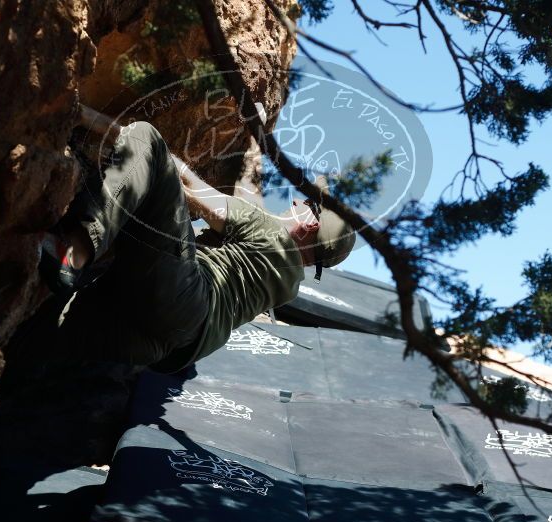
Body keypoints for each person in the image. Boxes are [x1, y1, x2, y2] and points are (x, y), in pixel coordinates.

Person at [39, 111, 355, 375]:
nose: (298, 200)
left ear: (310, 223)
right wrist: (258, 132)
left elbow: (189, 184)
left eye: (309, 203)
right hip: (169, 347)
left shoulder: (268, 232)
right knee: (44, 327)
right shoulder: (287, 282)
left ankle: (73, 251)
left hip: (185, 296)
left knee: (148, 139)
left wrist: (85, 116)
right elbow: (249, 186)